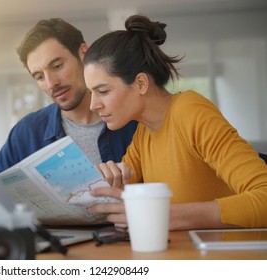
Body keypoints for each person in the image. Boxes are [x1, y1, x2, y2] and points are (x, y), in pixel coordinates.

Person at [83, 14, 267, 230]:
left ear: (141, 83)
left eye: (103, 91)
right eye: (91, 93)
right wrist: (109, 184)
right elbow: (123, 199)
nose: (93, 105)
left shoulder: (190, 112)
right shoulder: (144, 132)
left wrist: (162, 216)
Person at [0, 18, 137, 173]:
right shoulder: (26, 134)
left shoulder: (134, 122)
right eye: (40, 76)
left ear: (83, 53)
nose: (50, 83)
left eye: (57, 66)